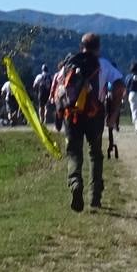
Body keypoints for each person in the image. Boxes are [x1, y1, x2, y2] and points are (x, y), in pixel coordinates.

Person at [53, 32, 113, 212]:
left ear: (82, 47)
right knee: (95, 153)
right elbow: (119, 85)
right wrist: (114, 111)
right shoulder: (103, 65)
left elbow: (57, 92)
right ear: (98, 47)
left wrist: (58, 116)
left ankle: (75, 183)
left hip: (72, 116)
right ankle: (95, 196)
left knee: (74, 153)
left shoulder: (68, 65)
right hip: (95, 114)